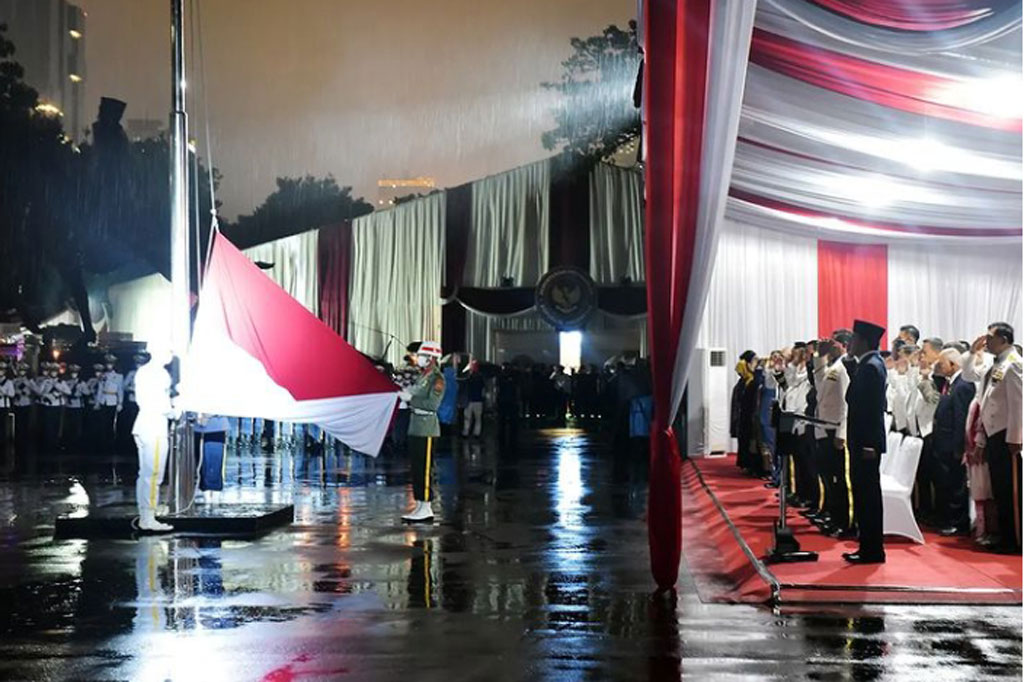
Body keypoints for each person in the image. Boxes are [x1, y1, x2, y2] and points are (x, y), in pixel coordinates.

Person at [962, 322, 1022, 554]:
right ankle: (1004, 535)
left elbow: (1018, 404)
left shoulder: (1014, 364)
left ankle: (1014, 539)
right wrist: (971, 353)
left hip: (1007, 436)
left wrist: (1015, 437)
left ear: (1004, 339)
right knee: (999, 489)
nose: (985, 340)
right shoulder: (992, 363)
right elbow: (969, 375)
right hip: (992, 433)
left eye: (990, 337)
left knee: (1010, 491)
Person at [844, 319, 888, 564]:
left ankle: (872, 549)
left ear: (863, 341)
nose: (850, 343)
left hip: (866, 443)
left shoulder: (872, 366)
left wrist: (870, 444)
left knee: (868, 496)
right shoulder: (869, 364)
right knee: (863, 495)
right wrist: (850, 362)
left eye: (854, 339)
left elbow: (871, 409)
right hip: (862, 441)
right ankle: (867, 546)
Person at [929, 349, 975, 536]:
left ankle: (958, 522)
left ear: (954, 365)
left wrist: (959, 446)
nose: (939, 366)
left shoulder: (963, 385)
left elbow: (961, 419)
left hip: (952, 443)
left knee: (956, 484)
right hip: (942, 441)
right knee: (946, 482)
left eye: (942, 363)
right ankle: (947, 518)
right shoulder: (951, 383)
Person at [133, 345, 177, 532]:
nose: (171, 353)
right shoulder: (159, 374)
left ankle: (145, 515)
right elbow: (162, 404)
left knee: (144, 474)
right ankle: (148, 518)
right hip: (155, 426)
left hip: (143, 425)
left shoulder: (143, 371)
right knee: (153, 474)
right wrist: (176, 411)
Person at [400, 341, 445, 523]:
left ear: (431, 359)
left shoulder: (437, 379)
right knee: (417, 468)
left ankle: (426, 507)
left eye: (422, 356)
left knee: (425, 469)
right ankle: (419, 503)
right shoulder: (423, 376)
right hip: (416, 425)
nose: (418, 359)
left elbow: (433, 405)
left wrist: (411, 400)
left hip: (427, 426)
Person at [812, 331, 852, 537]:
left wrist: (842, 432)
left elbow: (846, 403)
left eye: (833, 342)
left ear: (844, 345)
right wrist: (820, 355)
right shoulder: (833, 366)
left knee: (838, 479)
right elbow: (819, 384)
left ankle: (843, 521)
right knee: (827, 476)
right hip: (823, 427)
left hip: (835, 430)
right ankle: (832, 515)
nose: (830, 345)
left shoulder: (845, 367)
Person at [391, 343, 422, 454]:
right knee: (406, 424)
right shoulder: (417, 371)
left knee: (398, 424)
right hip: (410, 403)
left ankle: (397, 444)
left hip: (398, 401)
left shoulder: (399, 369)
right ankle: (403, 445)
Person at [94, 354, 124, 454]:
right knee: (103, 424)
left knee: (111, 424)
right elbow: (100, 389)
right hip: (104, 400)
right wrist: (97, 402)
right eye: (108, 364)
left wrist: (120, 402)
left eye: (111, 364)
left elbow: (120, 390)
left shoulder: (119, 376)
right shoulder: (103, 376)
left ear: (114, 365)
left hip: (113, 401)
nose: (109, 366)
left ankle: (111, 445)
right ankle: (103, 444)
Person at [462, 360, 485, 438]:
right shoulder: (480, 377)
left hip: (469, 400)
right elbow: (483, 389)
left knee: (467, 418)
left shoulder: (468, 377)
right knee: (478, 418)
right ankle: (476, 433)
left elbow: (465, 388)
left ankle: (466, 432)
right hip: (478, 400)